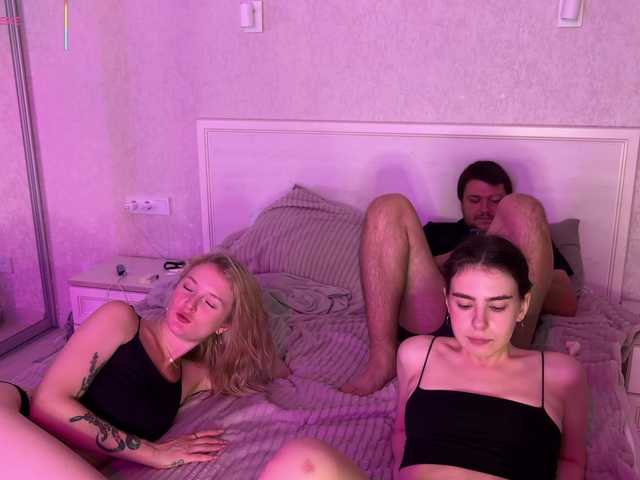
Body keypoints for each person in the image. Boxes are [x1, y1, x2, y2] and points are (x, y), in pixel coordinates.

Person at [259, 235, 587, 480]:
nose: (479, 322)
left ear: (523, 306)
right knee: (298, 459)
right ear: (447, 301)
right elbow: (403, 433)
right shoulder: (418, 354)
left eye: (498, 306)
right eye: (464, 304)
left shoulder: (559, 374)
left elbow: (571, 461)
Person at [0, 252, 279, 480]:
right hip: (14, 416)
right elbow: (46, 404)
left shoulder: (191, 377)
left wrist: (259, 333)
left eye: (209, 302)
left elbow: (262, 367)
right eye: (188, 287)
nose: (190, 303)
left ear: (225, 325)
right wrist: (154, 453)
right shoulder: (120, 319)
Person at [342, 160, 578, 395]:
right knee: (388, 206)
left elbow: (566, 301)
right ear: (461, 202)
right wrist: (462, 256)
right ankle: (382, 359)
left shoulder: (528, 232)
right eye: (474, 200)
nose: (484, 209)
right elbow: (393, 275)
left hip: (502, 331)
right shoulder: (438, 233)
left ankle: (512, 357)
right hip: (432, 316)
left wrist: (501, 254)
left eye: (495, 201)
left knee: (525, 206)